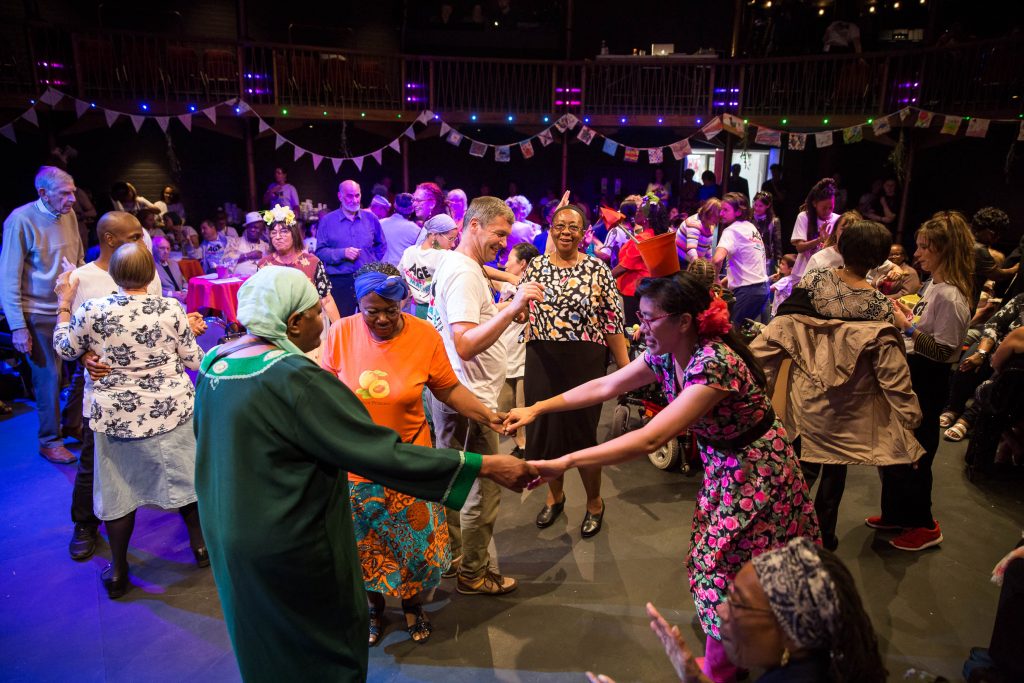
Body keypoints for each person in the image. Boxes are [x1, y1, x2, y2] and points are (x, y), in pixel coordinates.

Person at [192, 266, 536, 682]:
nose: (325, 318)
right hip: (291, 533)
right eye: (317, 311)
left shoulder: (216, 361)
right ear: (295, 321)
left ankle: (409, 605)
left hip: (232, 528)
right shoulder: (293, 376)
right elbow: (373, 451)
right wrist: (484, 464)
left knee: (264, 638)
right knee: (321, 642)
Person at [506, 271, 819, 683]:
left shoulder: (714, 363)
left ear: (684, 321)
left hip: (759, 473)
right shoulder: (666, 352)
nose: (641, 326)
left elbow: (651, 437)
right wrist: (538, 407)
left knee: (720, 567)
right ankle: (760, 639)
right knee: (743, 563)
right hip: (727, 469)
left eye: (651, 318)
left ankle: (726, 668)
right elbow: (606, 384)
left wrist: (564, 461)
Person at [322, 263, 509, 645]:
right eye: (371, 310)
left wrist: (489, 416)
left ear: (404, 301)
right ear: (358, 304)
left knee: (411, 547)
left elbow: (449, 390)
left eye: (391, 309)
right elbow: (323, 394)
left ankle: (412, 605)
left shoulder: (424, 335)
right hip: (357, 467)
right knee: (366, 549)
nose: (382, 318)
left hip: (410, 462)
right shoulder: (340, 334)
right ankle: (374, 610)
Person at [53, 241, 207, 599]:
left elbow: (64, 348)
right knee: (188, 480)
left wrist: (63, 304)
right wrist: (188, 336)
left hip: (117, 417)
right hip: (173, 412)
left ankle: (120, 571)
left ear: (113, 275)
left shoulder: (92, 309)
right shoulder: (171, 309)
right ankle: (202, 549)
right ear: (152, 273)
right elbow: (195, 361)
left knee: (118, 493)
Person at [758, 222, 919, 552]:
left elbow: (780, 331)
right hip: (848, 407)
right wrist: (910, 419)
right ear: (878, 259)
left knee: (799, 471)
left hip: (806, 398)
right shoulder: (880, 306)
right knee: (834, 475)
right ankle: (823, 541)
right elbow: (892, 372)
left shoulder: (814, 282)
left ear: (841, 249)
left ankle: (787, 537)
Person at [427, 196, 545, 596]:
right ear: (472, 226)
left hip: (457, 393)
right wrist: (512, 309)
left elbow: (475, 302)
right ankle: (473, 574)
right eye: (499, 234)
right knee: (484, 487)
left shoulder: (465, 264)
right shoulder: (463, 273)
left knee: (453, 478)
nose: (503, 243)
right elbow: (464, 344)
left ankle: (452, 557)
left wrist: (506, 291)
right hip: (469, 399)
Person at [587, 538, 886, 683]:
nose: (722, 612)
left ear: (790, 630)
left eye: (738, 603)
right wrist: (694, 677)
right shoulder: (815, 666)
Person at [62, 212, 170, 562]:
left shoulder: (145, 268)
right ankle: (84, 524)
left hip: (149, 391)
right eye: (135, 235)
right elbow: (74, 339)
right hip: (106, 392)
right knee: (94, 461)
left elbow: (154, 319)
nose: (143, 239)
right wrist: (83, 360)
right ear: (110, 239)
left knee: (169, 454)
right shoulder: (80, 278)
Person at [522, 204, 629, 537]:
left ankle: (594, 502)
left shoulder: (598, 269)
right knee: (544, 434)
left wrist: (625, 370)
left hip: (585, 360)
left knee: (582, 437)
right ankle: (556, 498)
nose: (565, 231)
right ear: (551, 229)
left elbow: (612, 320)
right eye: (559, 225)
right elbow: (521, 310)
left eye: (573, 226)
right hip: (541, 357)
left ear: (584, 233)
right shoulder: (535, 267)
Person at [875, 211, 974, 551]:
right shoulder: (936, 286)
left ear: (944, 249)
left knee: (918, 451)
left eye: (923, 247)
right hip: (915, 373)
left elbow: (944, 351)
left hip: (928, 379)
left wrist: (907, 325)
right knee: (900, 448)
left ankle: (924, 525)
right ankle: (897, 513)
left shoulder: (950, 295)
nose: (916, 255)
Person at [0, 166, 84, 463]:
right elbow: (8, 278)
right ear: (43, 194)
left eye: (73, 191)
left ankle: (73, 423)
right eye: (65, 193)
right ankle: (50, 440)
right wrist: (17, 327)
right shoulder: (20, 221)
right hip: (38, 313)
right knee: (49, 379)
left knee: (88, 366)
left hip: (70, 307)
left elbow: (78, 260)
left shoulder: (69, 215)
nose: (73, 199)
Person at [940, 292, 1024, 443]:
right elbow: (994, 324)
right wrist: (982, 353)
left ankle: (968, 419)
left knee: (1000, 378)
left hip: (1016, 359)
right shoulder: (1021, 299)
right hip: (995, 344)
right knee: (970, 359)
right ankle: (953, 407)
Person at [257, 205, 342, 326]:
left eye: (284, 231)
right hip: (277, 327)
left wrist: (339, 330)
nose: (278, 237)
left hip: (310, 326)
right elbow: (260, 302)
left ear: (294, 234)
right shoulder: (264, 266)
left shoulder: (312, 262)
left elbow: (326, 299)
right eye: (273, 232)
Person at [315, 180, 387, 316]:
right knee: (341, 323)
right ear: (339, 196)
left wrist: (370, 262)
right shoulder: (327, 221)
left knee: (370, 321)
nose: (354, 200)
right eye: (349, 196)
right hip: (339, 281)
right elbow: (320, 252)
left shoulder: (371, 218)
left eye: (357, 195)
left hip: (367, 279)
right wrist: (342, 253)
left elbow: (381, 245)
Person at [497, 242, 539, 457]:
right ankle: (521, 444)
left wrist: (490, 309)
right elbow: (480, 270)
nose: (504, 264)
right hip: (502, 357)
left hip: (523, 358)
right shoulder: (507, 286)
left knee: (523, 407)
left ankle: (528, 448)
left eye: (509, 259)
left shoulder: (533, 290)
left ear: (523, 264)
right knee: (503, 408)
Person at [713, 193, 769, 325]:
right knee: (743, 335)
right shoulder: (750, 227)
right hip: (763, 290)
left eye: (725, 210)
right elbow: (748, 263)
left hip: (748, 291)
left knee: (731, 333)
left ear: (738, 212)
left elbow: (717, 260)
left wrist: (715, 280)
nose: (721, 213)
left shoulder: (731, 231)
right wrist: (727, 280)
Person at [614, 200, 671, 327]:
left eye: (639, 211)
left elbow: (624, 266)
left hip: (633, 291)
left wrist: (602, 276)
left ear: (646, 218)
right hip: (646, 290)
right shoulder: (656, 235)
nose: (636, 213)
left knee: (633, 329)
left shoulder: (642, 239)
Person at [399, 214, 460, 319]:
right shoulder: (443, 256)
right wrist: (499, 276)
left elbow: (404, 286)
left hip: (416, 310)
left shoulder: (409, 252)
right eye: (451, 239)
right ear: (434, 235)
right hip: (436, 313)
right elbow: (470, 264)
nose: (453, 244)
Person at [791, 178, 839, 279]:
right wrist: (819, 240)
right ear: (814, 204)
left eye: (831, 207)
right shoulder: (804, 217)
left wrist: (828, 242)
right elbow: (799, 247)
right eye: (824, 208)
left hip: (826, 276)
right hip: (802, 275)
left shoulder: (838, 220)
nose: (828, 211)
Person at [379, 193, 421, 267]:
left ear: (395, 205)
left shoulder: (380, 224)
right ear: (412, 209)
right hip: (401, 273)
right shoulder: (416, 230)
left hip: (380, 271)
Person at [679, 198, 721, 266]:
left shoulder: (710, 225)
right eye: (716, 216)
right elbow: (691, 249)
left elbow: (707, 247)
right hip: (682, 262)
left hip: (693, 261)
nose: (717, 220)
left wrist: (710, 265)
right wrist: (699, 267)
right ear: (709, 212)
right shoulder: (694, 223)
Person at [751, 191, 783, 276]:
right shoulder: (749, 218)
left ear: (768, 206)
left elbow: (777, 243)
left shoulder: (773, 221)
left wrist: (778, 264)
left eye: (760, 206)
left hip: (766, 260)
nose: (757, 208)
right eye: (756, 205)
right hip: (749, 256)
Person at [230, 211, 269, 277]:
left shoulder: (266, 246)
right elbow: (225, 261)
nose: (253, 230)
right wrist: (247, 255)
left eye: (256, 227)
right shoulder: (235, 242)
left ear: (262, 230)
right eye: (250, 227)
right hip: (238, 284)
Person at [153, 236, 187, 302]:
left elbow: (183, 281)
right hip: (167, 300)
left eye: (168, 248)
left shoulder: (174, 263)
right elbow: (152, 289)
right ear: (154, 249)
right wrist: (172, 294)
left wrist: (185, 291)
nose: (166, 251)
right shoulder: (151, 267)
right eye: (162, 248)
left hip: (182, 298)